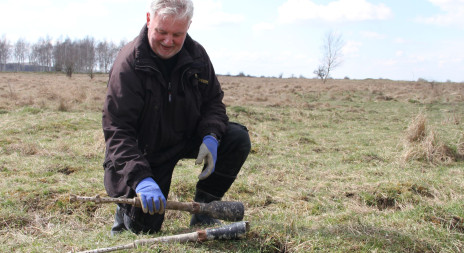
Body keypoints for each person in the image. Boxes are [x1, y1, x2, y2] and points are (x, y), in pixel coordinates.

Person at [102, 0, 251, 235]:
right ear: (149, 20)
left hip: (185, 135)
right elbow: (118, 131)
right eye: (162, 31)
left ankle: (204, 212)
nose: (168, 41)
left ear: (189, 26)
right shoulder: (129, 64)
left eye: (177, 34)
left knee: (237, 139)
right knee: (144, 229)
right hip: (146, 151)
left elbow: (213, 102)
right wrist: (141, 179)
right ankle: (125, 210)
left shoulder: (197, 56)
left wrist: (211, 136)